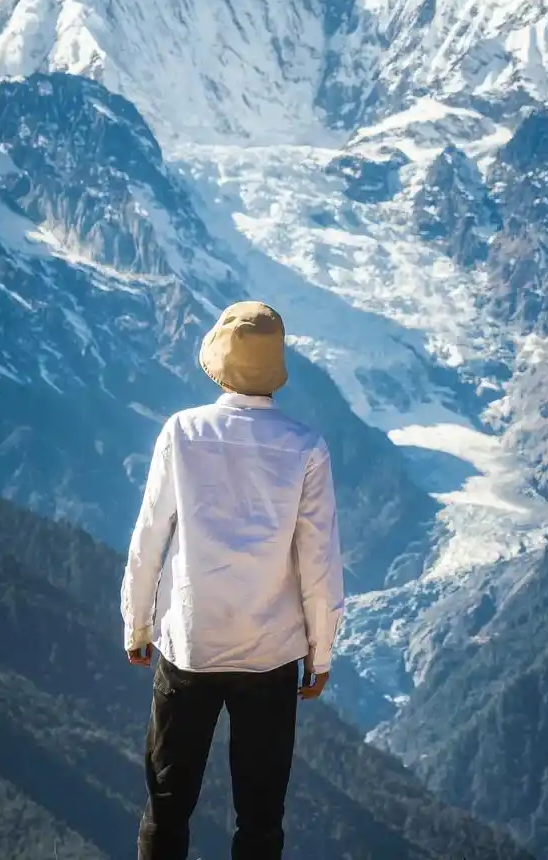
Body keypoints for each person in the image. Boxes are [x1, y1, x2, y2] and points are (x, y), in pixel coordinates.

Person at [121, 301, 344, 860]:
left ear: (217, 361)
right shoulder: (306, 447)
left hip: (189, 643)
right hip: (270, 653)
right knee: (261, 816)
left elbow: (149, 536)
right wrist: (321, 653)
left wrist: (137, 623)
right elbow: (318, 561)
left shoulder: (182, 432)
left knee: (168, 802)